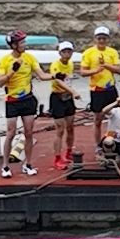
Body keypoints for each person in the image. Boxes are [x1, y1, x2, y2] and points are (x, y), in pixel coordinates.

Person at [0, 30, 41, 178]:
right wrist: (11, 72)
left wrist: (55, 76)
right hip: (12, 101)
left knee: (29, 132)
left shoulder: (29, 58)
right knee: (11, 133)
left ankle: (28, 164)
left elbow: (41, 74)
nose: (24, 45)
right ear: (14, 45)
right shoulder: (4, 61)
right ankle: (5, 166)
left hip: (27, 99)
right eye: (22, 42)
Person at [80, 25, 120, 147]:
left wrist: (106, 66)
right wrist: (95, 70)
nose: (102, 41)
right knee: (98, 119)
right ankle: (97, 144)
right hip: (97, 90)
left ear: (107, 39)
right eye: (99, 38)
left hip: (110, 89)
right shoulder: (88, 53)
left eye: (104, 38)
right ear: (95, 39)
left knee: (115, 117)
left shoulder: (112, 52)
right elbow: (83, 72)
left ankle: (113, 141)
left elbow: (119, 69)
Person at [45, 41, 84, 171]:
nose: (67, 54)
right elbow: (59, 81)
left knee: (71, 127)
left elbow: (68, 80)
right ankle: (57, 157)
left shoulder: (71, 64)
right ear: (60, 53)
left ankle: (68, 152)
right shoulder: (56, 65)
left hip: (68, 98)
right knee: (60, 130)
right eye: (64, 52)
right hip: (57, 98)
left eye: (69, 51)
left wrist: (71, 92)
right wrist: (74, 92)